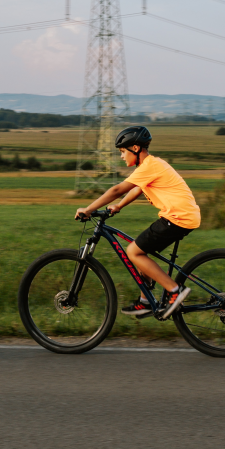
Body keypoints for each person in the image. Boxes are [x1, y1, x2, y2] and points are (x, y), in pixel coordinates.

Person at [74, 125, 201, 318]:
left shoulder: (150, 165)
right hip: (183, 216)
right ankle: (145, 302)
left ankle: (175, 291)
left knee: (133, 251)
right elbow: (136, 189)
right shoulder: (150, 166)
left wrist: (89, 208)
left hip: (177, 217)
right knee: (142, 251)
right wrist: (119, 206)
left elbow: (118, 189)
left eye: (123, 151)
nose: (121, 156)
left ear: (135, 148)